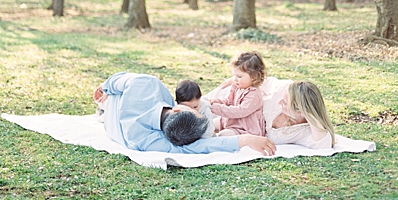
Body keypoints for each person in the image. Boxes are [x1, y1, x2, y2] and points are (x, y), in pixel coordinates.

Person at [94, 72, 275, 155]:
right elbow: (197, 148)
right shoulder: (148, 142)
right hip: (111, 111)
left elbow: (120, 79)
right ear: (178, 108)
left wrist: (106, 86)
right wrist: (244, 140)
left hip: (112, 112)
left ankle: (102, 107)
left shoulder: (147, 84)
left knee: (107, 100)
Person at [209, 51, 267, 137]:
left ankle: (214, 141)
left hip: (245, 129)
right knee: (207, 125)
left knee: (223, 135)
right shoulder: (237, 86)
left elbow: (240, 111)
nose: (235, 79)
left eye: (239, 76)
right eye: (234, 75)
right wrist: (216, 101)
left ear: (254, 76)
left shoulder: (254, 94)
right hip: (232, 121)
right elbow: (229, 101)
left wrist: (216, 108)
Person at [266, 80, 337, 149]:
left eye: (284, 103)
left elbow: (323, 144)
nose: (279, 102)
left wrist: (309, 114)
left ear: (300, 112)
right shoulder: (283, 89)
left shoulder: (304, 130)